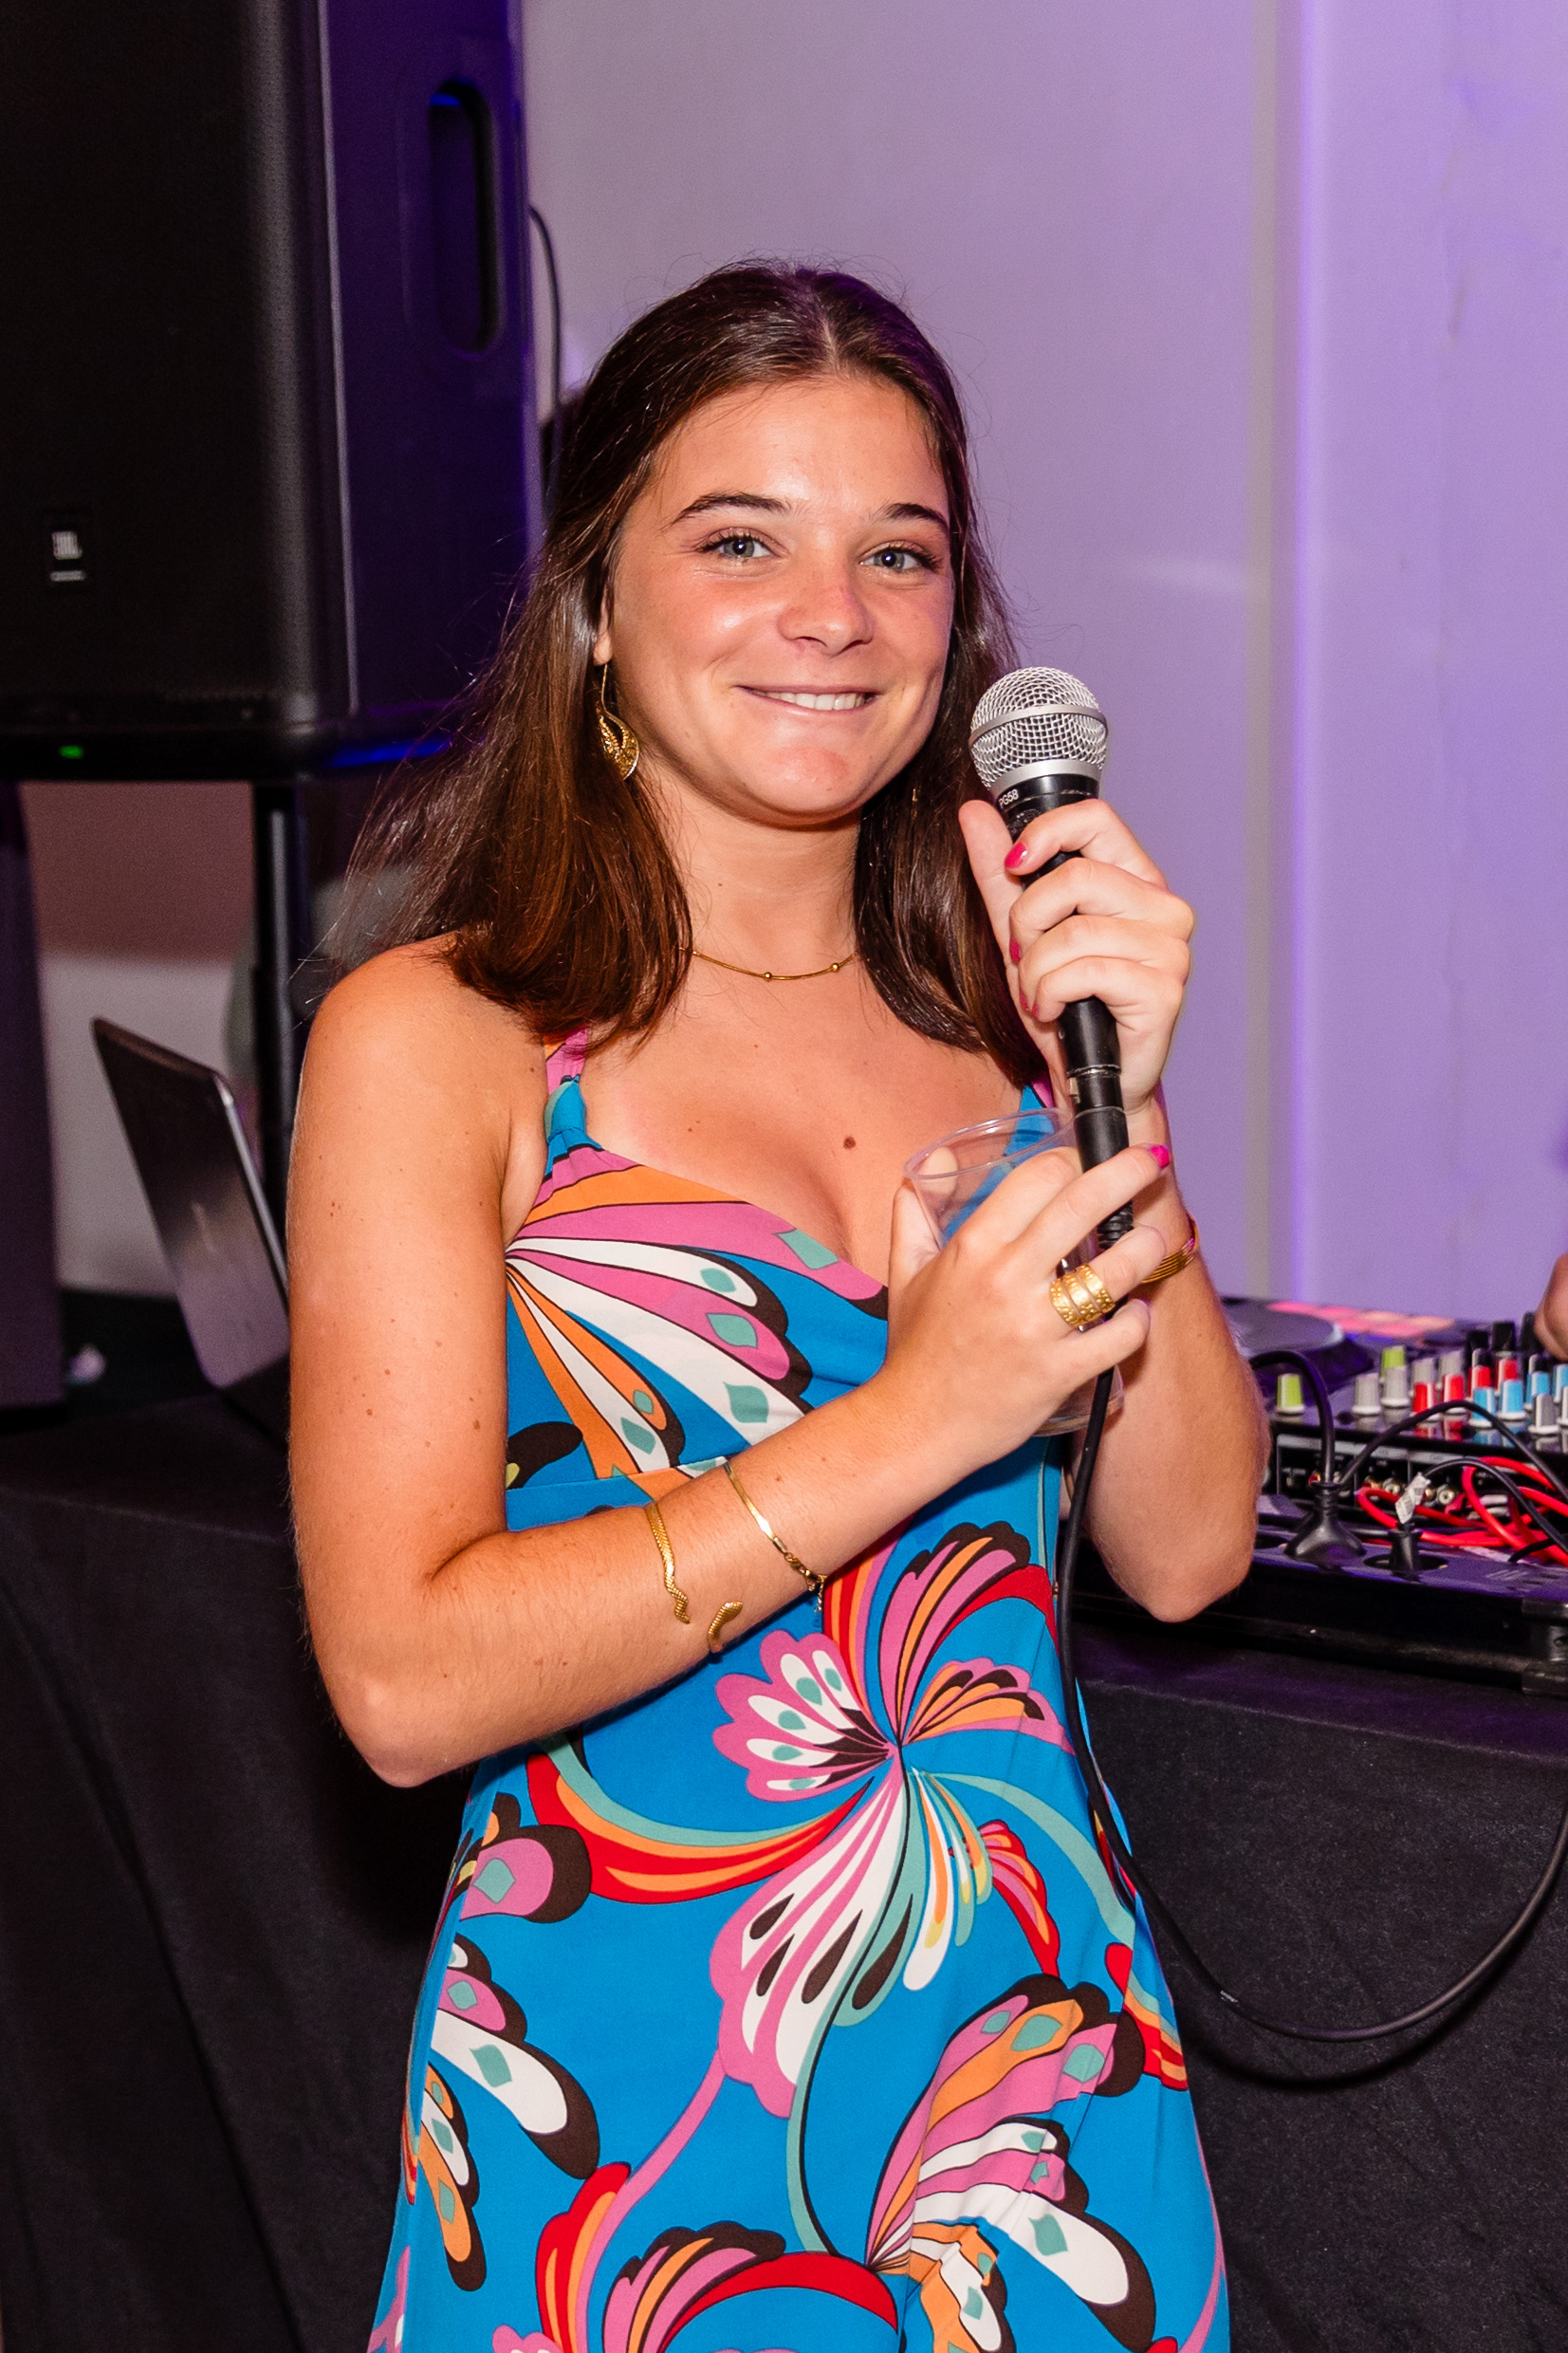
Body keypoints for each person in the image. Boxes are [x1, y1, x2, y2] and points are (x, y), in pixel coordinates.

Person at [291, 263, 1265, 2353]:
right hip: (633, 2106)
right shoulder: (443, 1040)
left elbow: (1186, 1548)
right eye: (740, 541)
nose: (831, 614)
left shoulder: (1001, 1027)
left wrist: (1116, 1086)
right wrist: (918, 1414)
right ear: (593, 604)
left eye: (896, 554)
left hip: (1032, 2098)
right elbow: (398, 1679)